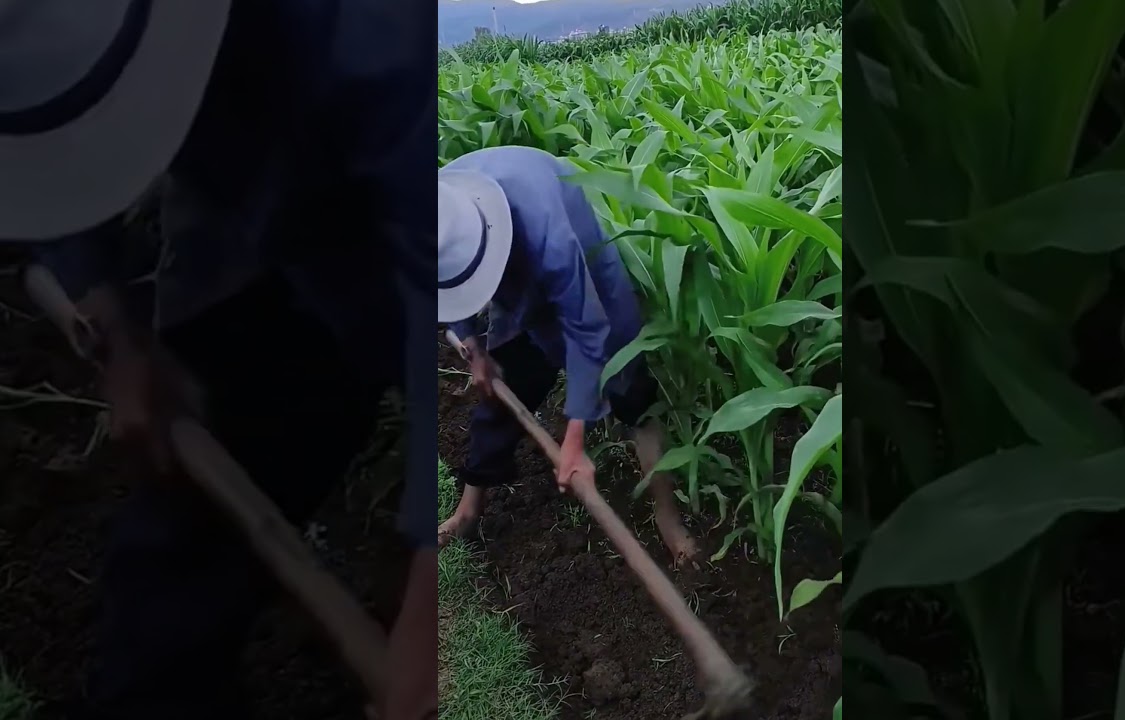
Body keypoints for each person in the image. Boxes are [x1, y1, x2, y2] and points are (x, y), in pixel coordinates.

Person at [0, 2, 438, 719]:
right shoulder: (50, 47)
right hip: (247, 204)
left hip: (393, 211)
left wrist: (429, 591)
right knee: (188, 523)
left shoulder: (377, 37)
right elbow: (47, 120)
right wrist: (111, 317)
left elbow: (436, 299)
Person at [435, 145, 700, 568]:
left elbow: (586, 329)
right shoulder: (439, 209)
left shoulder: (550, 238)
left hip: (583, 264)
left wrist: (574, 439)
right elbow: (446, 284)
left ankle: (668, 517)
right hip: (508, 266)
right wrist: (476, 347)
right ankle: (467, 511)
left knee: (628, 387)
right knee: (505, 387)